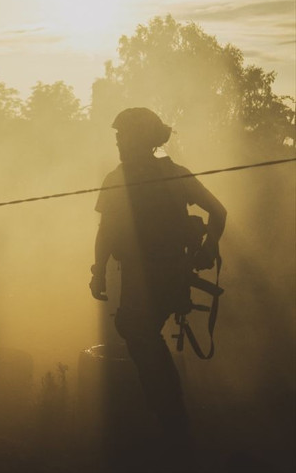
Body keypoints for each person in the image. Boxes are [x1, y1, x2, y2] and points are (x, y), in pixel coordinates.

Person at [89, 107, 227, 450]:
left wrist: (209, 248)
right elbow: (106, 233)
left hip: (162, 274)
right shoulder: (131, 177)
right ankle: (170, 419)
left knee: (136, 331)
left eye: (124, 136)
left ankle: (173, 423)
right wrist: (98, 271)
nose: (119, 142)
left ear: (141, 139)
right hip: (146, 274)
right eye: (118, 136)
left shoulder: (162, 176)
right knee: (140, 334)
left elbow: (218, 212)